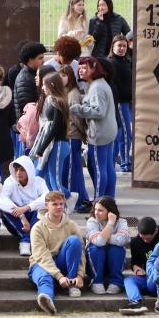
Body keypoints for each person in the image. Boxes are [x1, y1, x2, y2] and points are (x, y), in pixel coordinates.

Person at [29, 191, 86, 315]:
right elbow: (41, 256)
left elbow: (80, 251)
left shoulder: (72, 225)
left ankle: (72, 284)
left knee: (74, 241)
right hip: (41, 263)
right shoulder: (38, 227)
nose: (59, 207)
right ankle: (46, 298)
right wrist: (59, 276)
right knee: (44, 276)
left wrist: (80, 275)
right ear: (46, 206)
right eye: (55, 204)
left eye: (61, 204)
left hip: (63, 262)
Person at [71, 57, 118, 199]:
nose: (80, 71)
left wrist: (78, 109)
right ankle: (109, 200)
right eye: (79, 68)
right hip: (107, 131)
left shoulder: (97, 87)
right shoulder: (99, 84)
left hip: (99, 134)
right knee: (108, 167)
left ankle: (98, 202)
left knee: (98, 168)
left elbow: (99, 111)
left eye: (84, 67)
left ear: (94, 68)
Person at [30, 72, 73, 198]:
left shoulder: (55, 101)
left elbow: (54, 128)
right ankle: (67, 198)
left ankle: (63, 209)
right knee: (50, 180)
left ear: (52, 85)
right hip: (57, 145)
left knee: (55, 182)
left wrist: (41, 149)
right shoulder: (58, 100)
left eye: (44, 85)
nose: (42, 87)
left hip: (58, 145)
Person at [0, 156, 49, 257]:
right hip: (18, 221)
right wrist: (22, 216)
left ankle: (26, 240)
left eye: (22, 170)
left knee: (41, 208)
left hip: (33, 218)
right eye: (16, 170)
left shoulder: (38, 181)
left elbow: (47, 198)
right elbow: (2, 200)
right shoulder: (10, 181)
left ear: (29, 170)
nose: (18, 173)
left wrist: (26, 207)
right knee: (5, 209)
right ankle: (29, 239)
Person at [59, 66, 90, 213]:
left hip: (72, 135)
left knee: (72, 170)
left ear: (70, 77)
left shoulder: (73, 93)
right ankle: (80, 198)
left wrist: (83, 134)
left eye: (64, 75)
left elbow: (76, 118)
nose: (61, 78)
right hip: (68, 135)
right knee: (72, 169)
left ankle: (74, 200)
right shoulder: (66, 92)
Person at [86, 196, 130, 295]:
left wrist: (104, 235)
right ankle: (96, 281)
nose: (96, 213)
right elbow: (99, 242)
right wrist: (110, 224)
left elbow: (122, 240)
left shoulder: (122, 222)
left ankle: (116, 282)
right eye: (95, 209)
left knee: (117, 249)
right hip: (95, 264)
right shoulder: (91, 222)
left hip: (114, 263)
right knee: (96, 248)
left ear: (110, 211)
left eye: (100, 210)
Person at [109, 35, 134, 173]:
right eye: (119, 45)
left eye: (124, 46)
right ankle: (125, 162)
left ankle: (117, 161)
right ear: (113, 46)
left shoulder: (125, 60)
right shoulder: (113, 62)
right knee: (125, 133)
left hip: (126, 102)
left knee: (120, 133)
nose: (122, 48)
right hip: (120, 103)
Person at [13, 41, 47, 121]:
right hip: (29, 126)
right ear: (30, 60)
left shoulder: (34, 74)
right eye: (40, 58)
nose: (43, 61)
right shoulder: (24, 80)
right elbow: (27, 108)